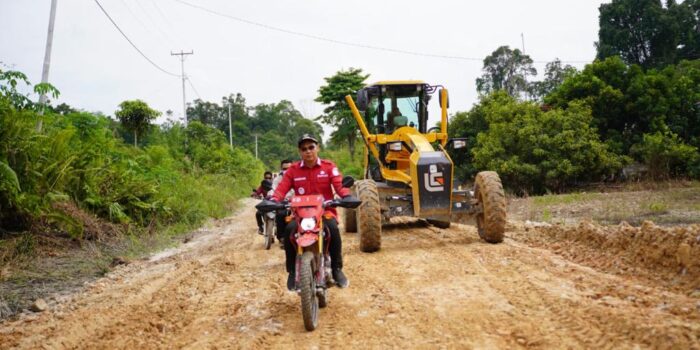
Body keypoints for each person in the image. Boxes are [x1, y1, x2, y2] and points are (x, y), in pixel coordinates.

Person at [271, 134, 351, 290]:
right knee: (289, 230)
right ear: (300, 152)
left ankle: (337, 269)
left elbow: (340, 186)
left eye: (311, 147)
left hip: (325, 212)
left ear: (317, 148)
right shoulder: (293, 170)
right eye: (304, 149)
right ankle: (293, 271)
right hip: (300, 214)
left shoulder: (329, 167)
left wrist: (347, 196)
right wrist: (274, 200)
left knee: (333, 229)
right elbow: (281, 189)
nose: (308, 151)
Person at [270, 159, 294, 246]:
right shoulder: (277, 179)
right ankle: (282, 237)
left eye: (289, 168)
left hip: (297, 202)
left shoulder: (298, 177)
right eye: (284, 169)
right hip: (282, 202)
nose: (287, 171)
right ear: (281, 169)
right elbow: (274, 191)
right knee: (281, 214)